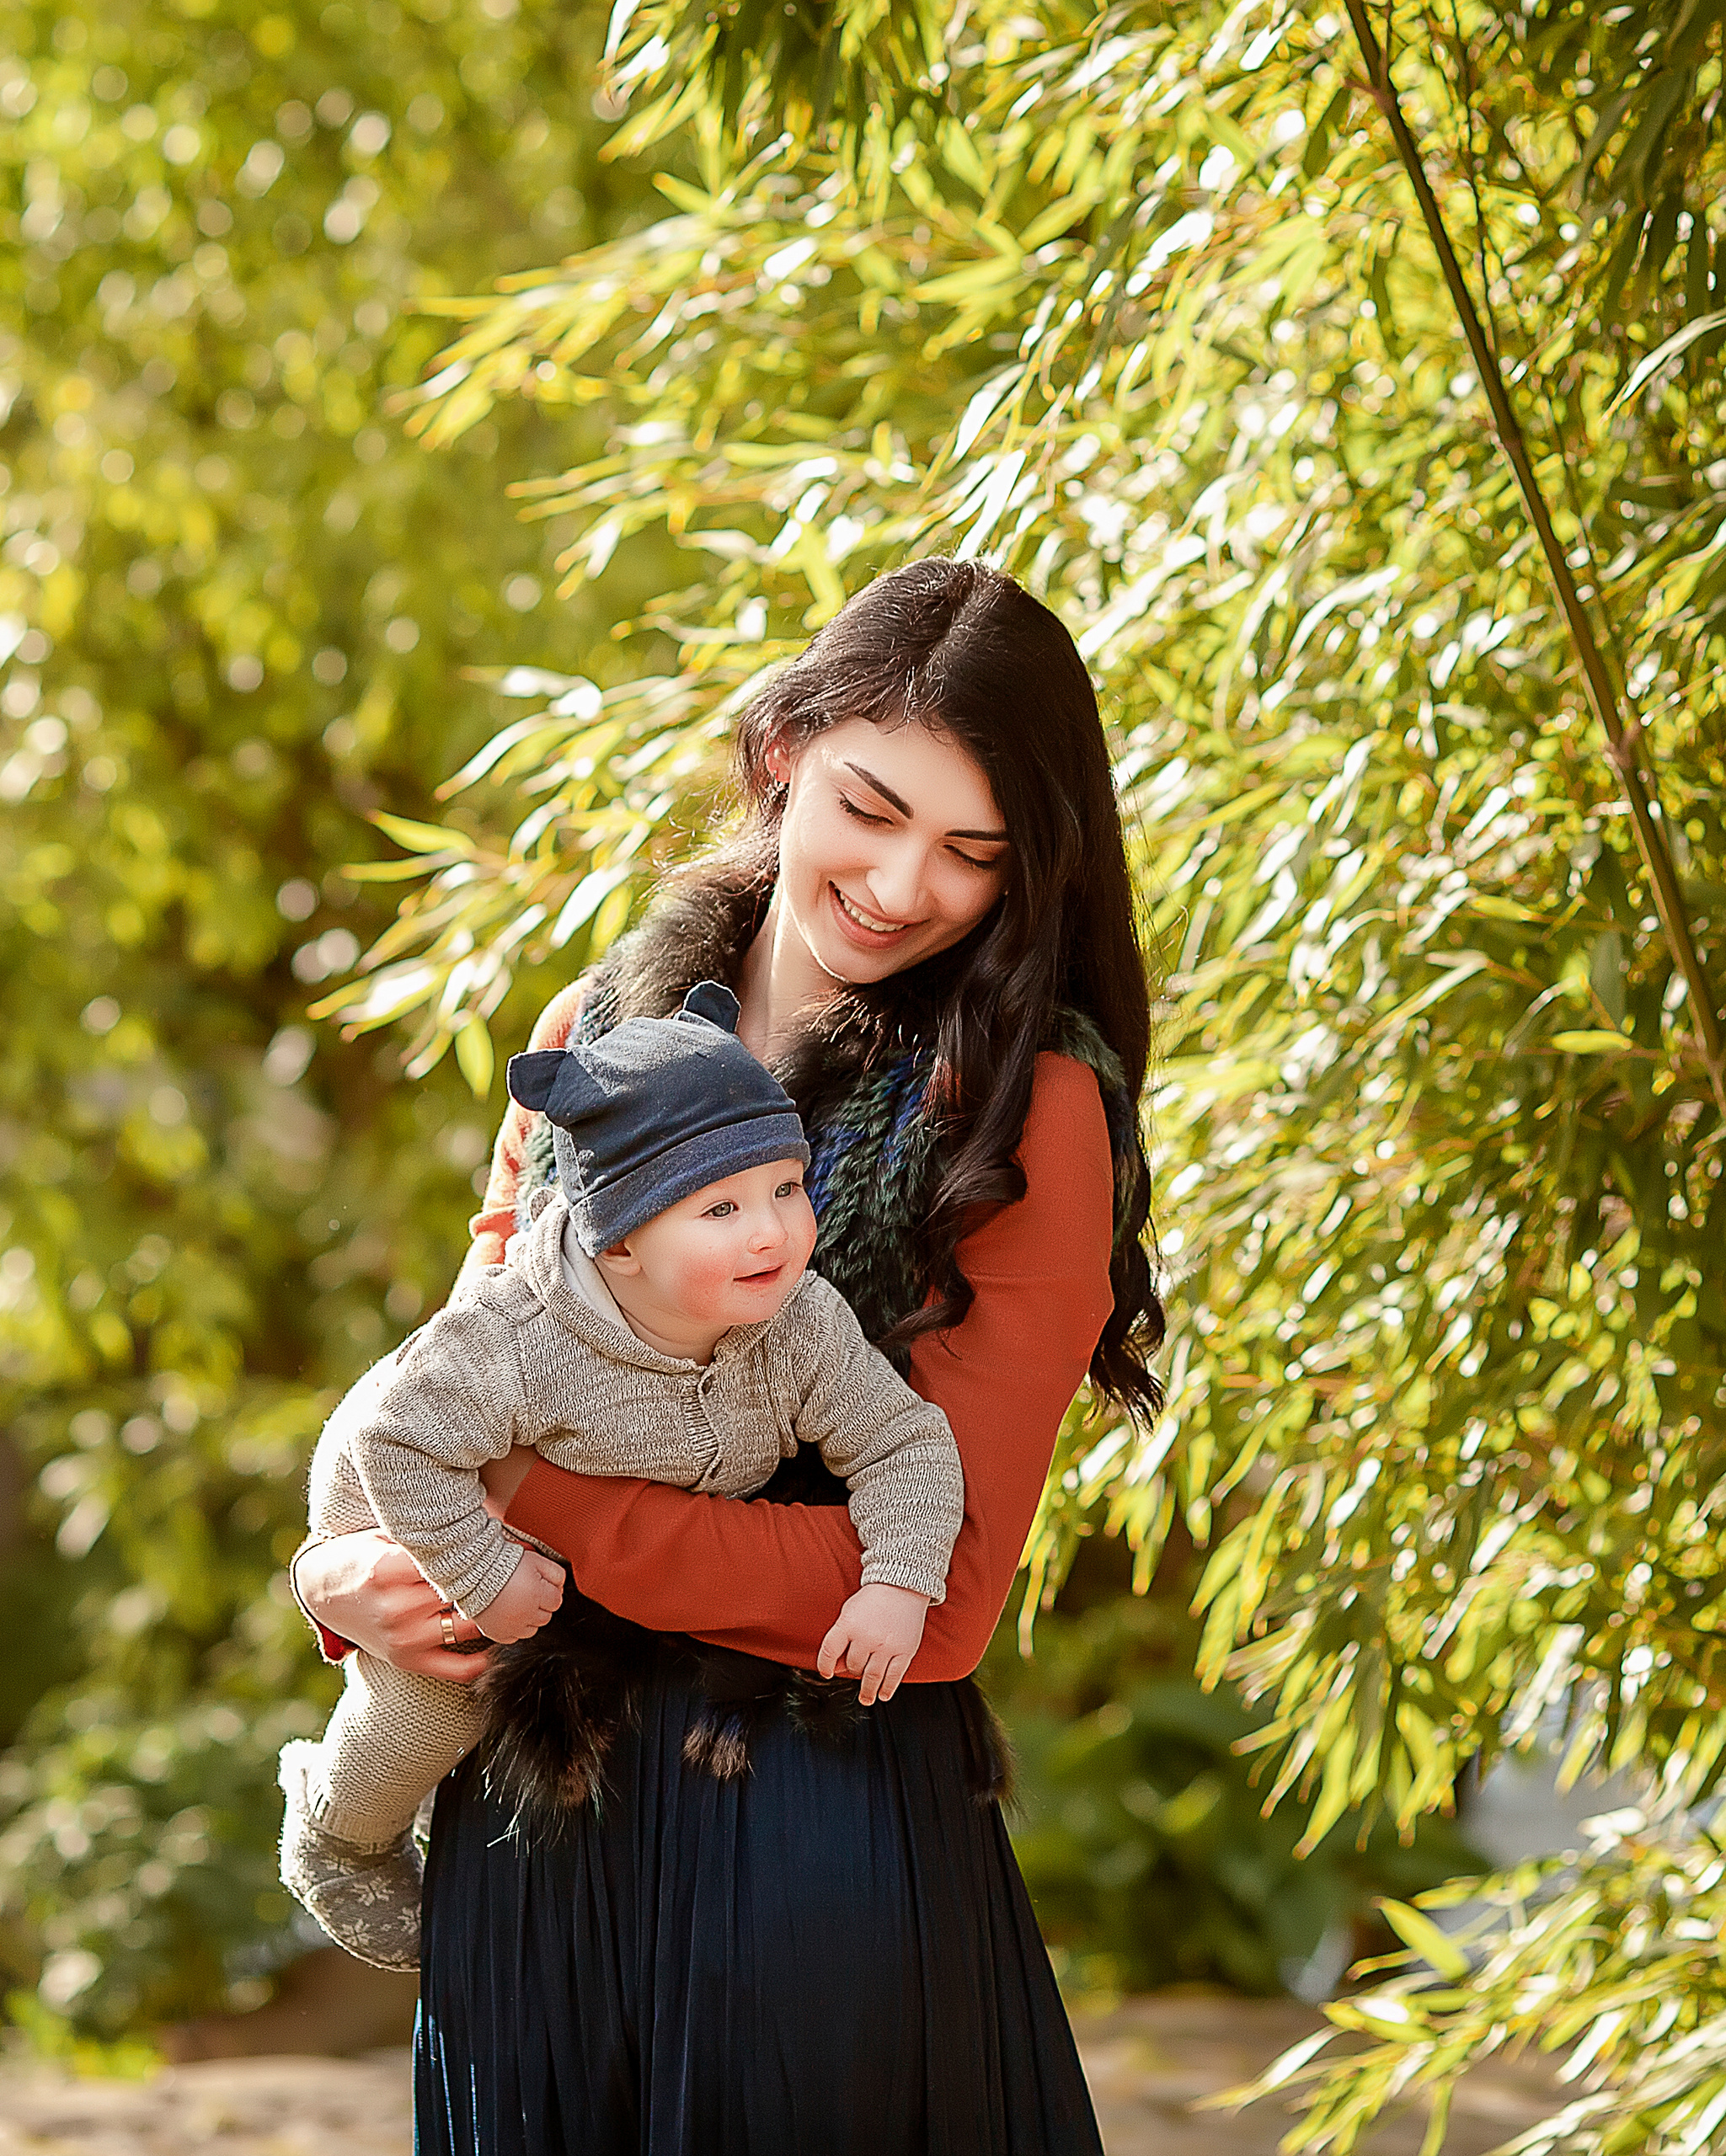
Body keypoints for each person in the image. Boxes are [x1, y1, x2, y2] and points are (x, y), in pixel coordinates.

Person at [292, 556, 1165, 2156]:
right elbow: (448, 1377)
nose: (903, 885)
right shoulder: (585, 1036)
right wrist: (345, 1573)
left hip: (805, 1834)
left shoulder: (1024, 1106)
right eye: (869, 806)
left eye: (971, 852)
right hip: (532, 1826)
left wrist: (532, 1513)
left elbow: (946, 1587)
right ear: (780, 751)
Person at [279, 980, 964, 1971]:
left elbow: (905, 1441)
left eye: (784, 1186)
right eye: (721, 1206)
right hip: (414, 1465)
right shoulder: (518, 1342)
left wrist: (900, 1580)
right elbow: (397, 1443)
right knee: (443, 1689)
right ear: (624, 1240)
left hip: (507, 1471)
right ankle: (341, 1828)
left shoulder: (799, 1323)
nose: (770, 1229)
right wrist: (479, 1571)